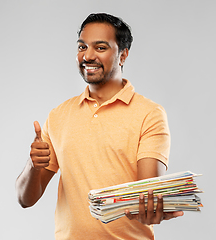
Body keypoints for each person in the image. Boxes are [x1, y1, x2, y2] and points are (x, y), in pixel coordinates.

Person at [16, 13, 183, 239]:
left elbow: (146, 192)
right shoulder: (58, 115)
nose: (88, 55)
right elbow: (25, 199)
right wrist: (33, 165)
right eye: (82, 46)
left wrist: (152, 206)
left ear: (123, 55)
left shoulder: (149, 114)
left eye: (101, 47)